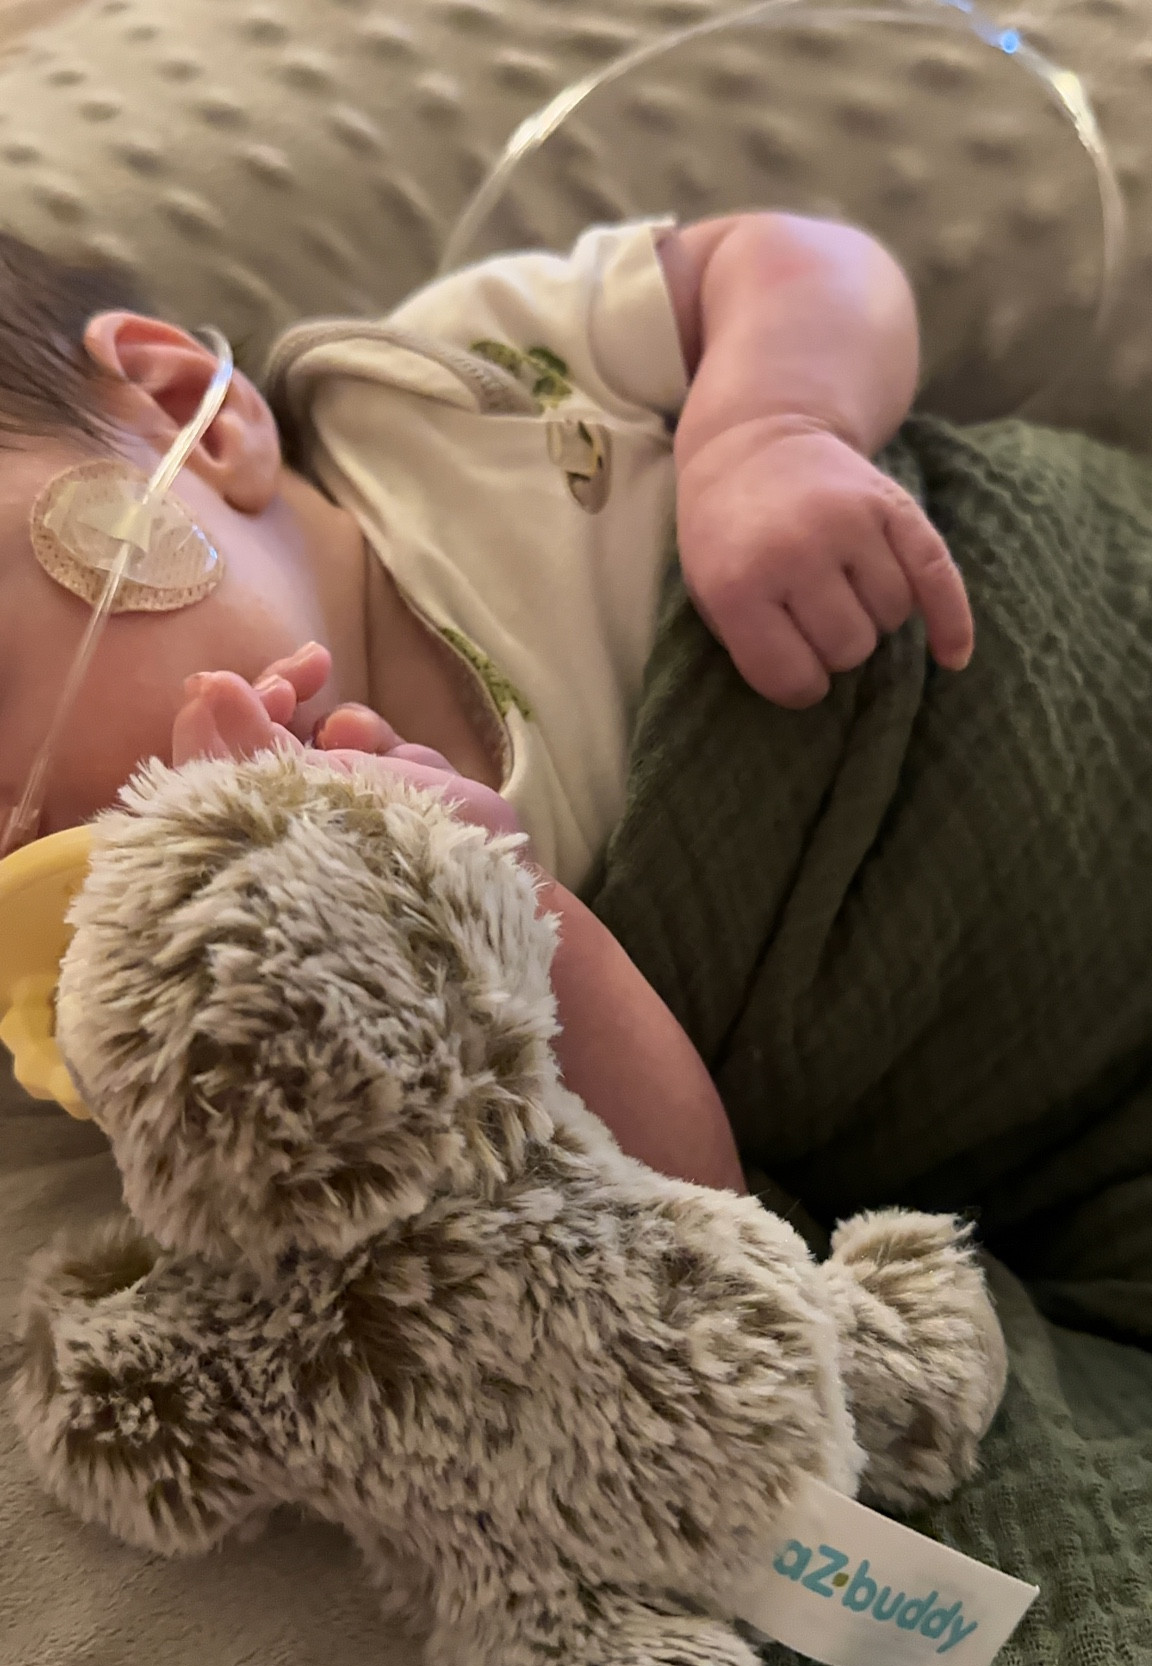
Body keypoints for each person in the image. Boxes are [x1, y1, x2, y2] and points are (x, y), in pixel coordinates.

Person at [0, 214, 977, 1195]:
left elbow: (801, 257)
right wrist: (516, 918)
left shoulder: (450, 388)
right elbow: (686, 1220)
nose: (14, 837)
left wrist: (772, 428)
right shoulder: (307, 998)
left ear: (187, 417)